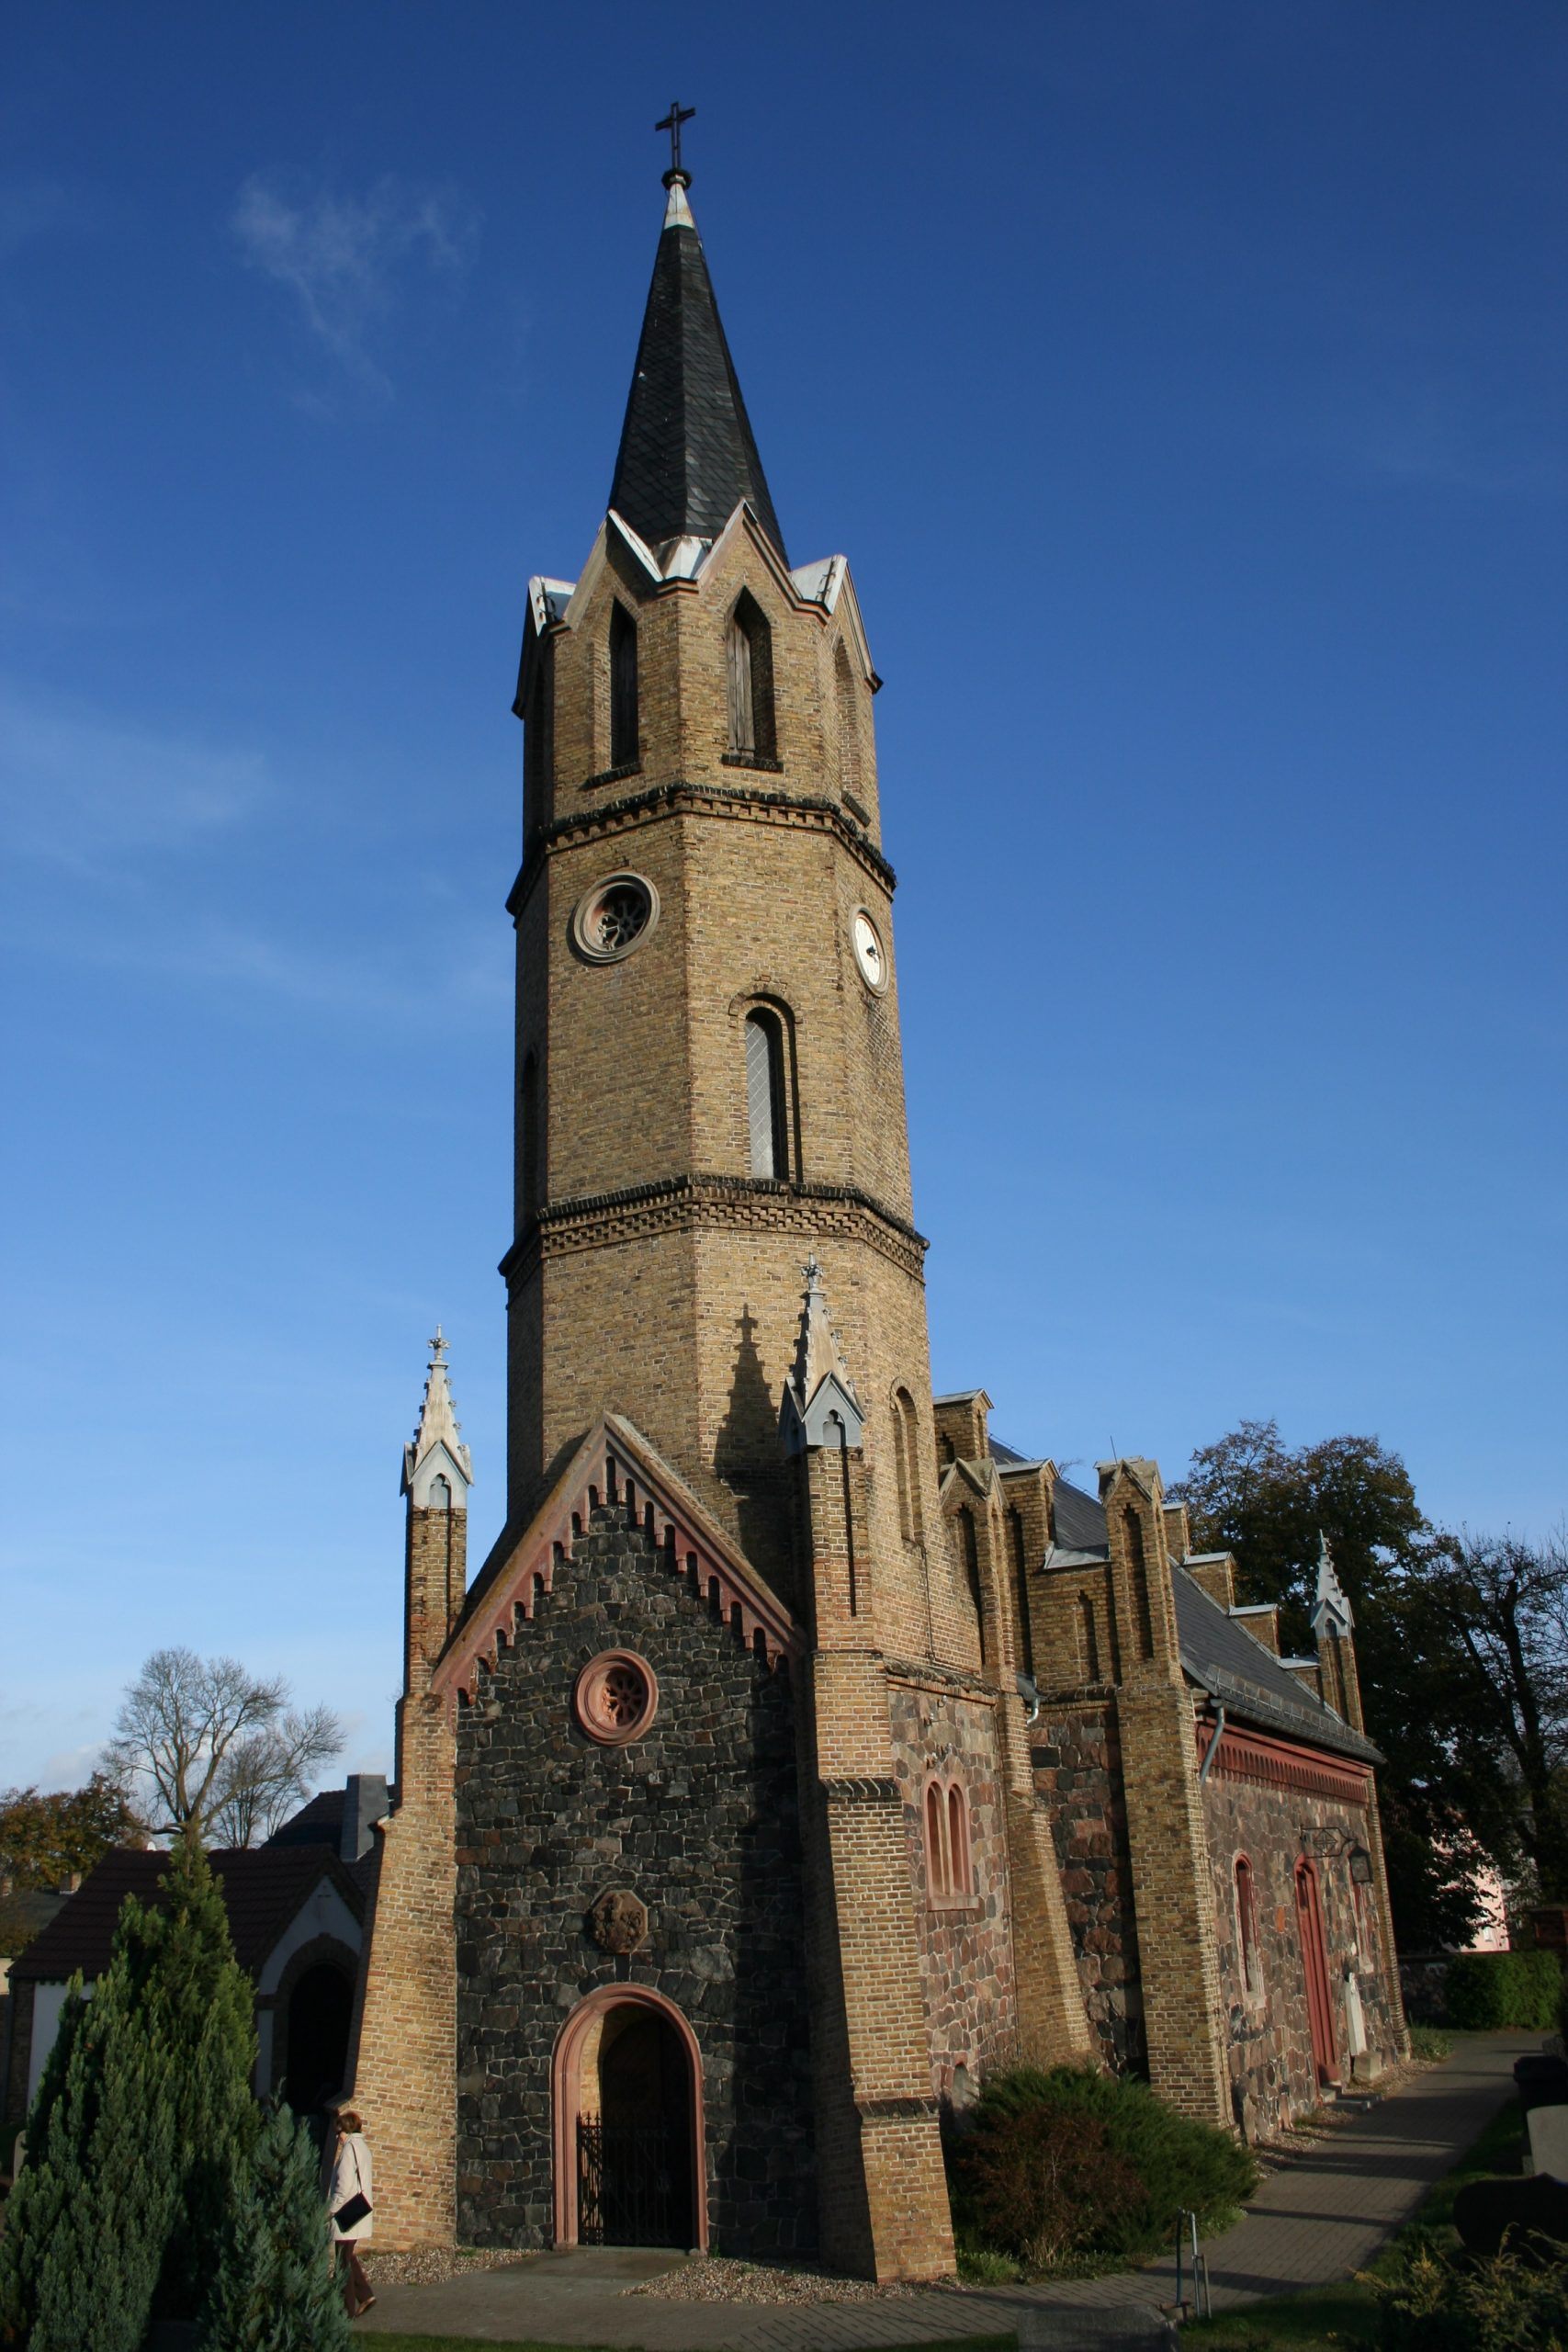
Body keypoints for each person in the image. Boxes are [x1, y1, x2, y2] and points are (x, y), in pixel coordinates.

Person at [326, 2108, 375, 2317]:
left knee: (342, 2261)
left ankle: (346, 2310)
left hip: (347, 2211)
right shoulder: (362, 2147)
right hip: (359, 2209)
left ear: (345, 2130)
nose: (338, 2138)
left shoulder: (348, 2151)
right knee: (347, 2256)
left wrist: (331, 2210)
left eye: (339, 2133)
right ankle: (365, 2295)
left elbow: (343, 2185)